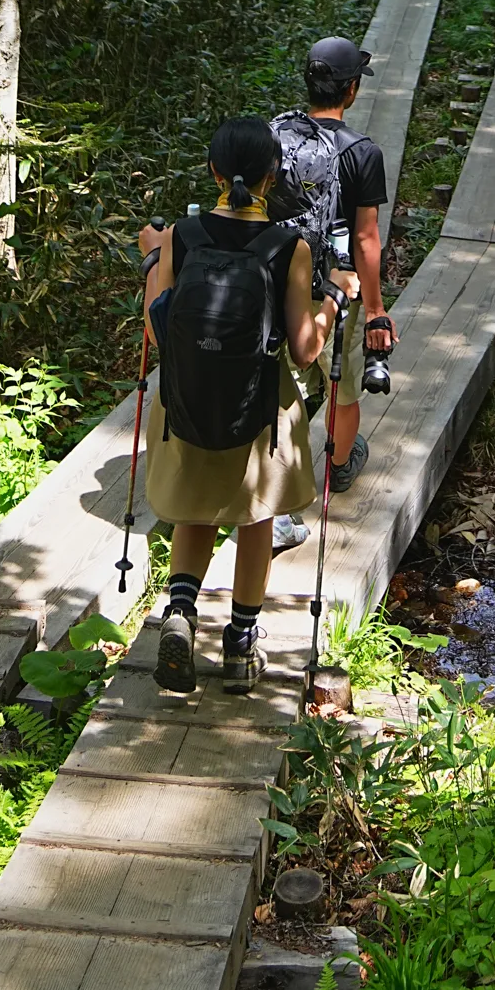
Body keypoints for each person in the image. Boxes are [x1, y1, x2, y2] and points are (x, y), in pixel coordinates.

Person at [142, 115, 352, 695]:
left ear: (212, 170)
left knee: (194, 508)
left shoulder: (182, 238)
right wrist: (334, 302)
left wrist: (152, 260)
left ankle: (181, 613)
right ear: (274, 175)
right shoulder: (291, 247)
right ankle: (239, 647)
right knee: (257, 518)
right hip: (259, 409)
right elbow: (305, 351)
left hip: (187, 398)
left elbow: (158, 330)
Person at [272, 34, 396, 496]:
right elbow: (366, 238)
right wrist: (377, 309)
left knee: (286, 381)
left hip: (277, 277)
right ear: (351, 90)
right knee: (343, 387)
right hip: (334, 287)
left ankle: (280, 470)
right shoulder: (363, 152)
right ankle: (339, 465)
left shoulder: (275, 135)